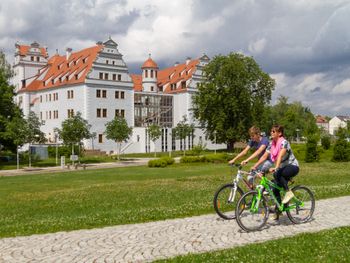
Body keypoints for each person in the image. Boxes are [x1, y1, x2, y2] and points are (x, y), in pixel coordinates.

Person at [251, 124, 299, 220]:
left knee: (277, 173)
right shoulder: (271, 144)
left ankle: (289, 193)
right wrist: (255, 166)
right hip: (282, 168)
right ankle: (279, 211)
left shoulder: (284, 142)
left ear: (280, 133)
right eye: (271, 131)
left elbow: (280, 156)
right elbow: (264, 156)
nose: (271, 132)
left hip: (293, 166)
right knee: (275, 188)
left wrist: (276, 168)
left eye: (274, 131)